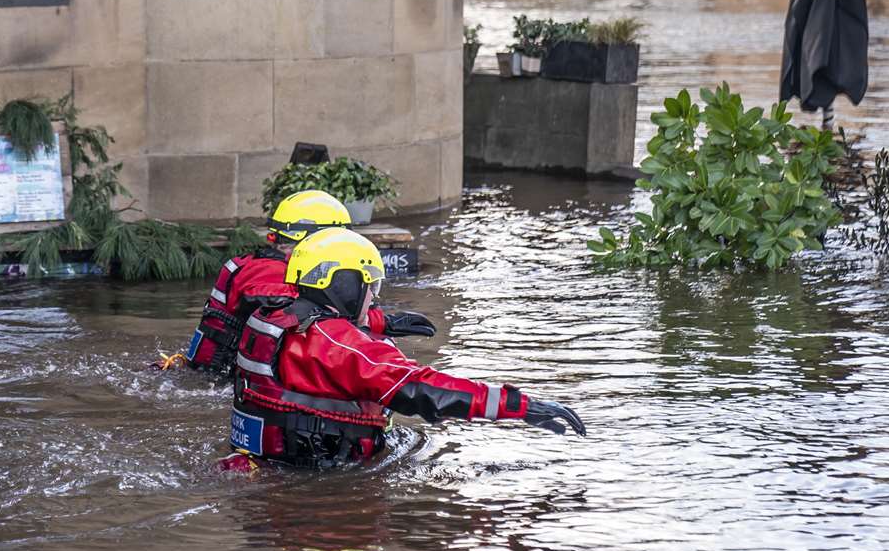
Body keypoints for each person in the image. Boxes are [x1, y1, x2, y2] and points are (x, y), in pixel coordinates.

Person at [228, 227, 584, 468]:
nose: (373, 297)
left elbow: (319, 335)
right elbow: (422, 388)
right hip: (319, 471)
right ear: (344, 284)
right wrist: (519, 406)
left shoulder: (270, 318)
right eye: (369, 286)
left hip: (263, 460)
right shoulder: (343, 346)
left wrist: (382, 323)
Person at [170, 189, 435, 377]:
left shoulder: (270, 266)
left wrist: (378, 321)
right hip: (214, 381)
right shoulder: (267, 272)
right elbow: (302, 315)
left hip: (224, 375)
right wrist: (378, 323)